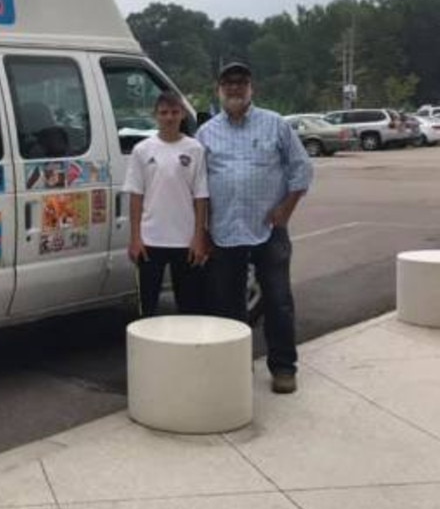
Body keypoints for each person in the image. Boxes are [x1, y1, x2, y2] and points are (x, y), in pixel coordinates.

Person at [197, 62, 313, 393]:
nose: (234, 88)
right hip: (225, 230)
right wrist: (202, 229)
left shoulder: (275, 124)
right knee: (228, 303)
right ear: (218, 89)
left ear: (252, 87)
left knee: (277, 299)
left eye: (241, 82)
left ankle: (283, 368)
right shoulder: (206, 133)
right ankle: (234, 367)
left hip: (268, 229)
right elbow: (199, 186)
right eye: (228, 83)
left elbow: (301, 168)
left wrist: (286, 209)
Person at [124, 90, 210, 318]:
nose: (169, 117)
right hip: (150, 240)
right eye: (164, 113)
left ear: (182, 114)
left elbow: (201, 197)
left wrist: (199, 237)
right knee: (148, 307)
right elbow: (136, 196)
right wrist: (135, 238)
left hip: (186, 241)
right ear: (156, 116)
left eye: (174, 112)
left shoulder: (195, 149)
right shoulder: (142, 150)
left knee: (189, 306)